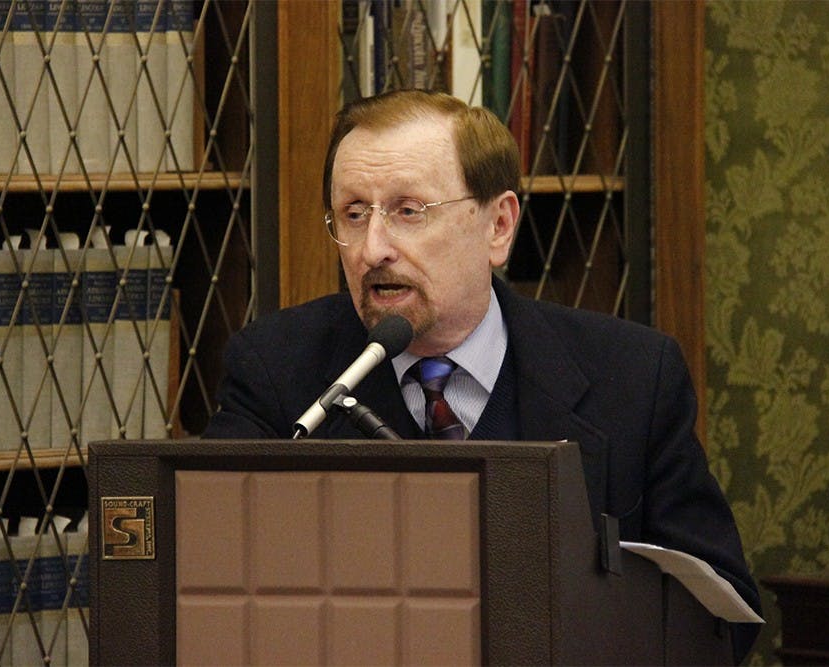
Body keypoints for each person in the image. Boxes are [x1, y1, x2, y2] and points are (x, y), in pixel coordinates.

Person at [204, 89, 761, 661]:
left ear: (498, 226)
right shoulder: (277, 370)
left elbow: (719, 617)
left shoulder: (634, 377)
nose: (373, 250)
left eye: (407, 211)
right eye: (353, 214)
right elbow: (207, 589)